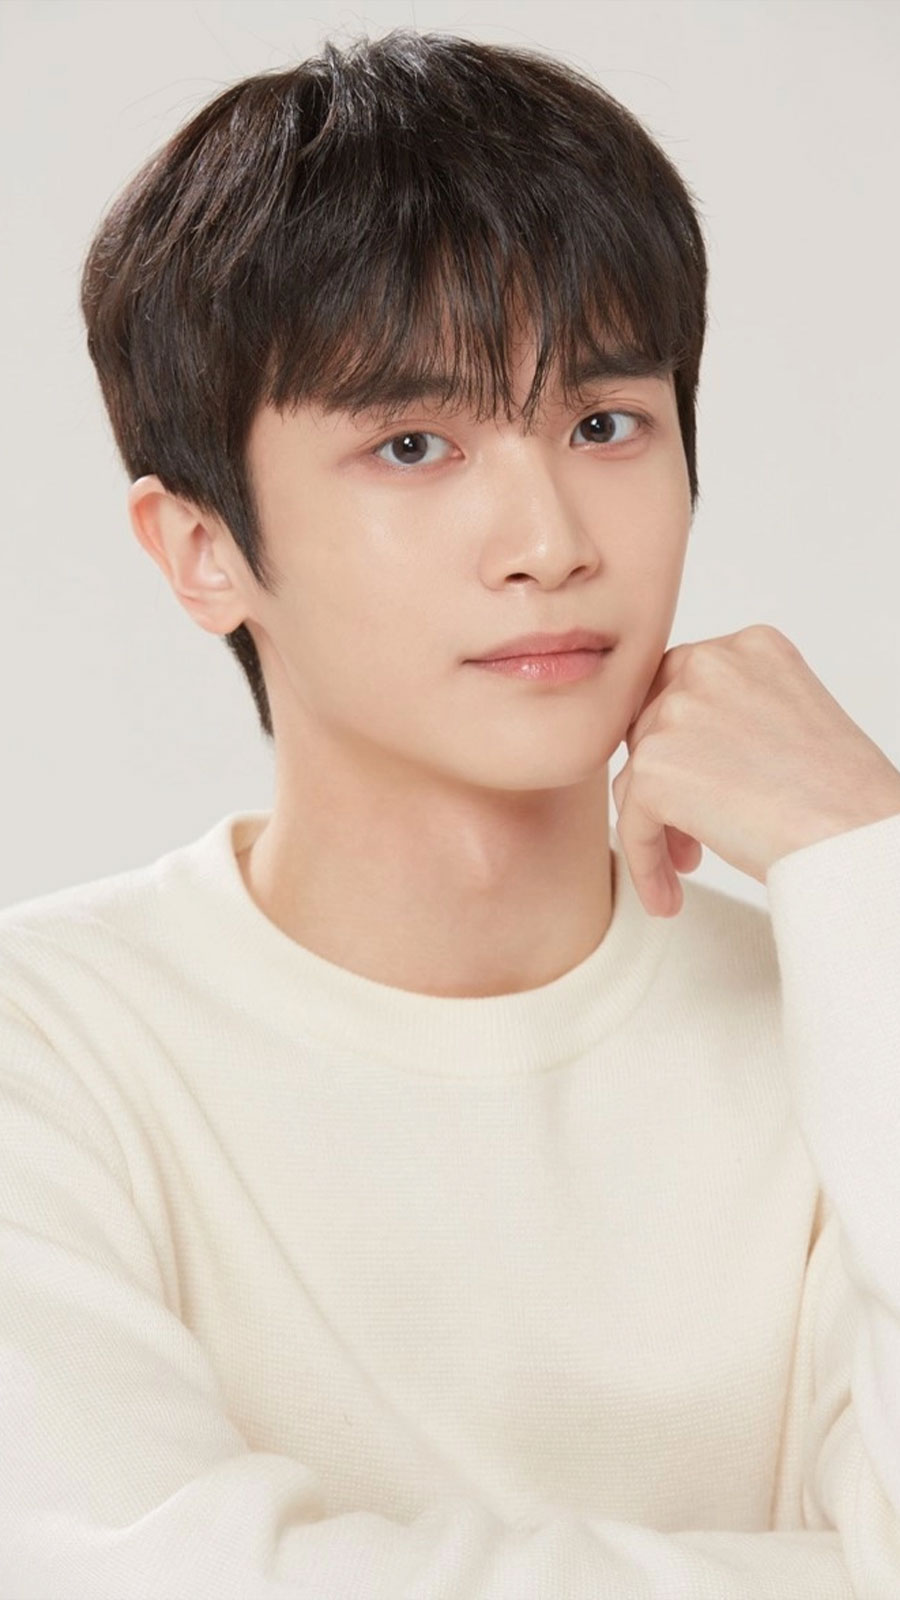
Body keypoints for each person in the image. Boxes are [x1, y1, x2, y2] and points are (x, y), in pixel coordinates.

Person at [2, 25, 899, 1599]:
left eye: (604, 424)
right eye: (412, 445)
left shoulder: (844, 999)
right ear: (202, 548)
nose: (548, 539)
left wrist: (867, 867)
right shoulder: (47, 1048)